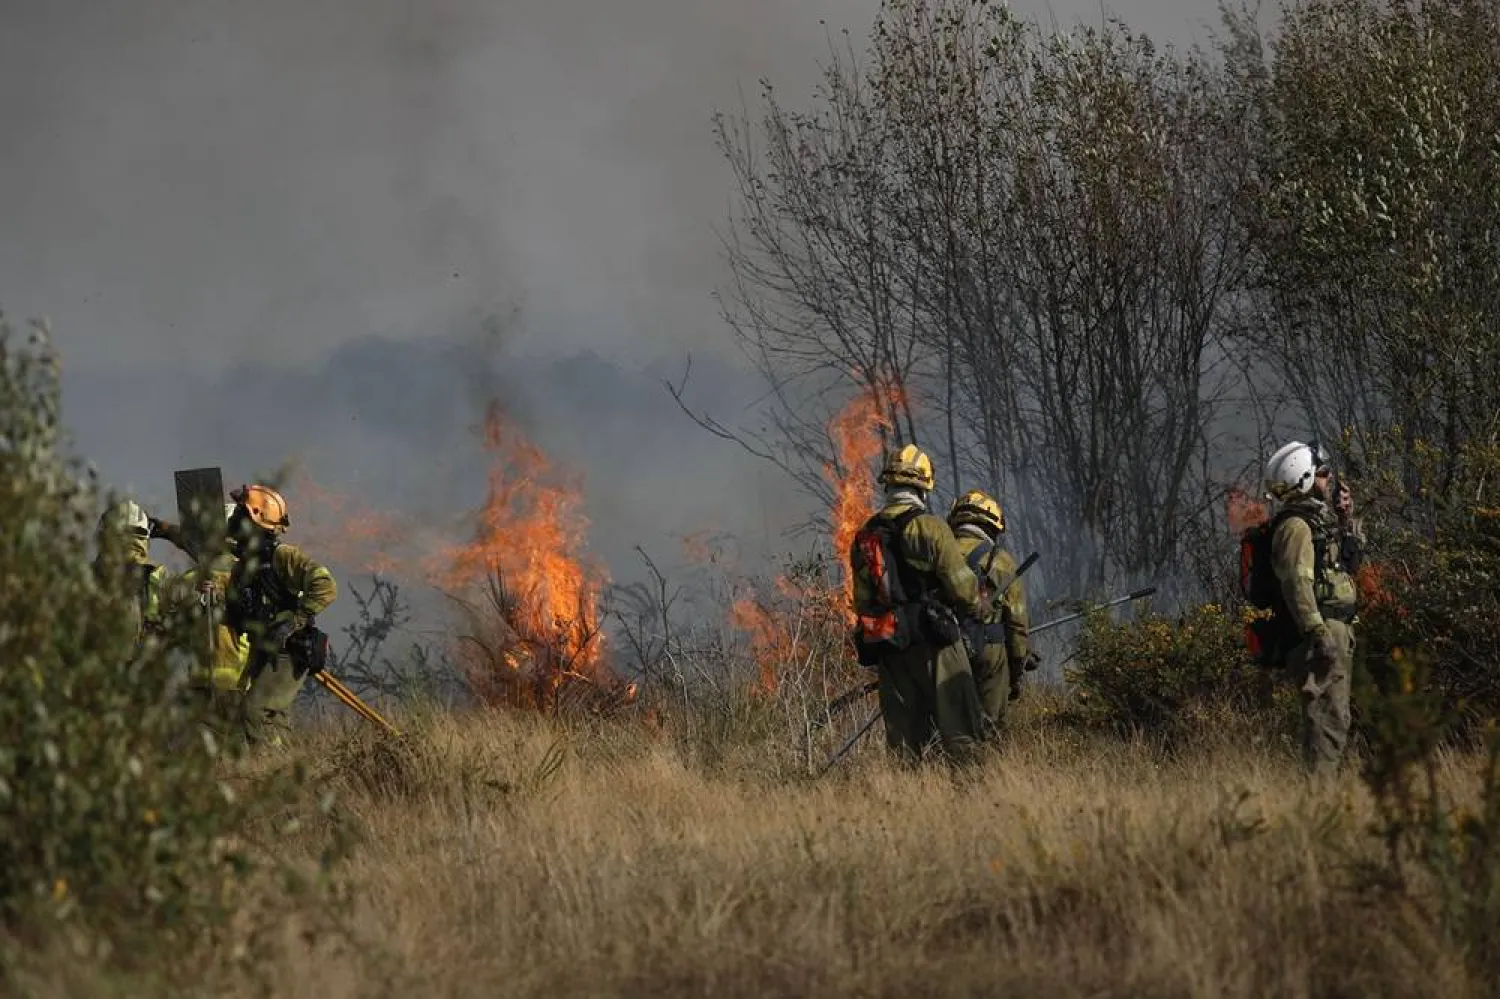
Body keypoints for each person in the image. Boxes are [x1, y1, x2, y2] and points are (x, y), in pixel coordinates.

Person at [849, 445, 987, 765]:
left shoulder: (864, 536)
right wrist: (979, 608)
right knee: (961, 730)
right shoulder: (931, 527)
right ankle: (977, 802)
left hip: (892, 648)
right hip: (936, 644)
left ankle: (908, 803)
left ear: (889, 484)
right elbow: (963, 588)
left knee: (905, 742)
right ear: (923, 485)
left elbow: (862, 603)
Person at [1263, 440, 1361, 780]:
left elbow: (1344, 565)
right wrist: (1318, 632)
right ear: (1303, 479)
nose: (1329, 479)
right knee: (1326, 723)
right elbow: (1297, 585)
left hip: (1334, 631)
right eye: (1321, 474)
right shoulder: (1295, 528)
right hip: (1318, 637)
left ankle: (1321, 798)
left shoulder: (1315, 522)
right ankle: (1320, 805)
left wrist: (1346, 519)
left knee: (1335, 719)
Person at [222, 484, 338, 748]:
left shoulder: (282, 555)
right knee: (272, 719)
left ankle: (270, 772)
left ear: (254, 519)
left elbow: (325, 585)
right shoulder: (243, 564)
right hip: (265, 647)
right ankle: (282, 769)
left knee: (255, 712)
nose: (232, 521)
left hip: (288, 649)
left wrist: (293, 622)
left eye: (239, 515)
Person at [946, 489, 1038, 733]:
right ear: (992, 527)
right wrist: (1016, 670)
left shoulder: (940, 554)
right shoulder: (1001, 560)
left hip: (944, 649)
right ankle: (992, 770)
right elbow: (1017, 624)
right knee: (991, 727)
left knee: (949, 727)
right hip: (990, 651)